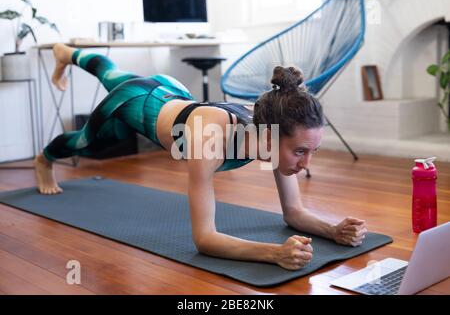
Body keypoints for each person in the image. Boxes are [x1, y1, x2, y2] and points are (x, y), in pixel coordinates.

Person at [34, 43, 367, 270]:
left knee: (113, 73)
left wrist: (333, 229)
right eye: (300, 152)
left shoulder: (273, 127)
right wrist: (273, 253)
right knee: (84, 139)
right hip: (136, 104)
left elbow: (293, 212)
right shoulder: (210, 137)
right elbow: (204, 239)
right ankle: (44, 159)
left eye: (312, 152)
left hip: (173, 92)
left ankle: (66, 53)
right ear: (269, 136)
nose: (306, 164)